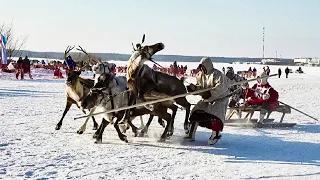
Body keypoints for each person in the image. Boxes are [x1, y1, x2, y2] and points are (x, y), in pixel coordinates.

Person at [185, 57, 232, 145]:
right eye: (201, 67)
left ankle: (215, 134)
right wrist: (194, 89)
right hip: (207, 99)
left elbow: (221, 87)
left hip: (220, 99)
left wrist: (209, 93)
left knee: (215, 115)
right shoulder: (200, 75)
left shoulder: (217, 74)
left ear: (208, 66)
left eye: (203, 67)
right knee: (196, 112)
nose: (202, 69)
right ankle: (191, 134)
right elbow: (200, 89)